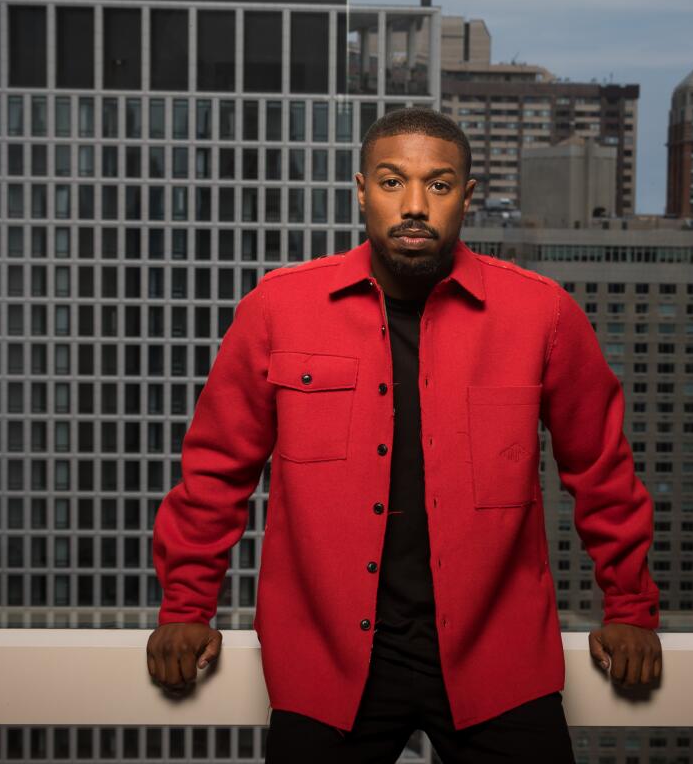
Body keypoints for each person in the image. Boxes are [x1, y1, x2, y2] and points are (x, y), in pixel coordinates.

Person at [147, 107, 662, 762]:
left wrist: (631, 609)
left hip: (497, 658)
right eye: (393, 182)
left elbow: (603, 475)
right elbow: (216, 472)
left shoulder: (541, 315)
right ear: (362, 190)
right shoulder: (278, 309)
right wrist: (187, 608)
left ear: (466, 197)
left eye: (438, 185)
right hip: (329, 664)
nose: (414, 205)